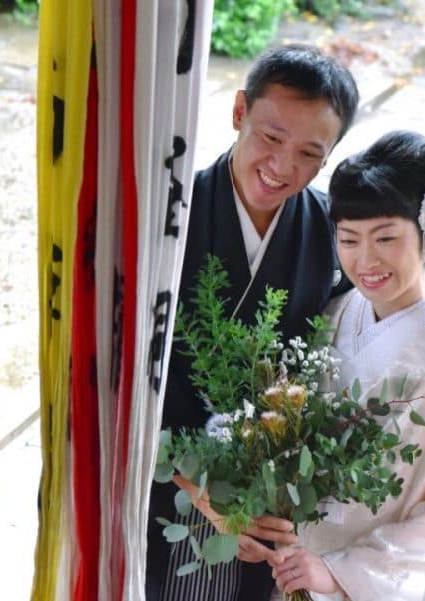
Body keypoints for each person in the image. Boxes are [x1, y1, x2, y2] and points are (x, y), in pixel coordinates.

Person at [146, 44, 359, 601]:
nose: (284, 167)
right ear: (240, 111)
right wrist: (204, 491)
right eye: (271, 137)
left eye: (311, 153)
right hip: (169, 479)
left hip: (270, 505)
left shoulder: (327, 233)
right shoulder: (171, 217)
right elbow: (136, 372)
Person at [268, 130, 425, 601]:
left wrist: (339, 573)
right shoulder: (340, 311)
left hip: (360, 579)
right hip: (295, 563)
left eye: (386, 238)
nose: (365, 260)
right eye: (350, 239)